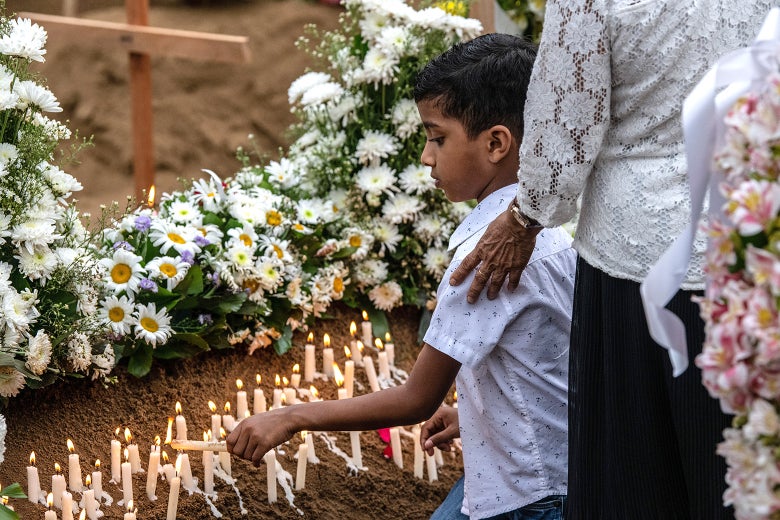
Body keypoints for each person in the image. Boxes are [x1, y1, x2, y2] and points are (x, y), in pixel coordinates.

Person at [227, 33, 576, 519]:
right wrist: (481, 417)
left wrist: (292, 416)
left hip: (527, 498)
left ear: (496, 142)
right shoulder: (549, 234)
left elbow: (416, 398)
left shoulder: (490, 259)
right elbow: (546, 362)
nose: (426, 157)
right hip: (556, 472)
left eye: (437, 137)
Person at [448, 2, 775, 519]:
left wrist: (524, 218)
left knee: (637, 475)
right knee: (738, 475)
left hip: (637, 262)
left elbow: (565, 121)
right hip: (752, 244)